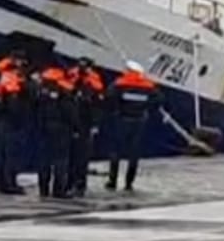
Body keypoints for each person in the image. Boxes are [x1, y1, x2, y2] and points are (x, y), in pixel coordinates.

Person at [106, 59, 160, 192]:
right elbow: (158, 100)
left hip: (122, 119)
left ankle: (112, 181)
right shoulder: (148, 86)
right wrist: (146, 109)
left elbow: (109, 97)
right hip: (139, 121)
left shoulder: (120, 84)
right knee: (134, 154)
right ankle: (129, 183)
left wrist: (117, 110)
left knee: (115, 152)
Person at [34, 62, 76, 199]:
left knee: (44, 160)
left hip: (43, 127)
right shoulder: (65, 90)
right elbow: (70, 112)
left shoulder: (41, 90)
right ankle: (59, 190)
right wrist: (75, 127)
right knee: (61, 160)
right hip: (62, 129)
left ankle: (43, 189)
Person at [0, 54, 30, 195]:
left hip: (2, 119)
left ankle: (0, 180)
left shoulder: (0, 77)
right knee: (11, 153)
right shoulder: (12, 79)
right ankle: (9, 183)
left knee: (2, 152)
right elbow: (14, 103)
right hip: (12, 121)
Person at [66, 57, 106, 197]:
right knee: (79, 157)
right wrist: (95, 124)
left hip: (76, 124)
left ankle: (73, 184)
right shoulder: (92, 82)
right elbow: (97, 106)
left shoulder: (71, 77)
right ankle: (77, 184)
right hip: (81, 124)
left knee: (75, 156)